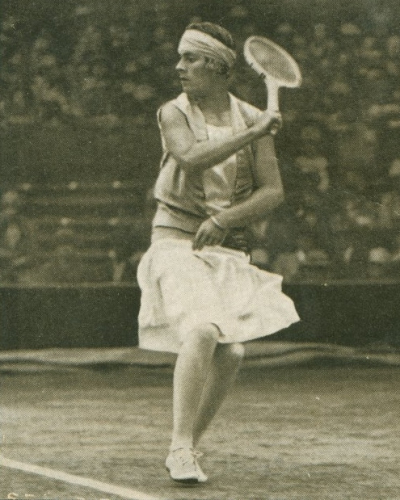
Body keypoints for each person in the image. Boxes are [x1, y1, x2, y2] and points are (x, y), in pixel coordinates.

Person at [136, 22, 300, 484]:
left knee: (232, 353)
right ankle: (180, 447)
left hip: (223, 246)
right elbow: (191, 158)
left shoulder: (252, 117)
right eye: (180, 57)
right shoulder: (173, 112)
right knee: (204, 329)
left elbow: (272, 192)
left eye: (190, 59)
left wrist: (226, 219)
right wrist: (254, 132)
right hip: (174, 241)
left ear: (217, 67)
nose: (179, 67)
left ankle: (188, 444)